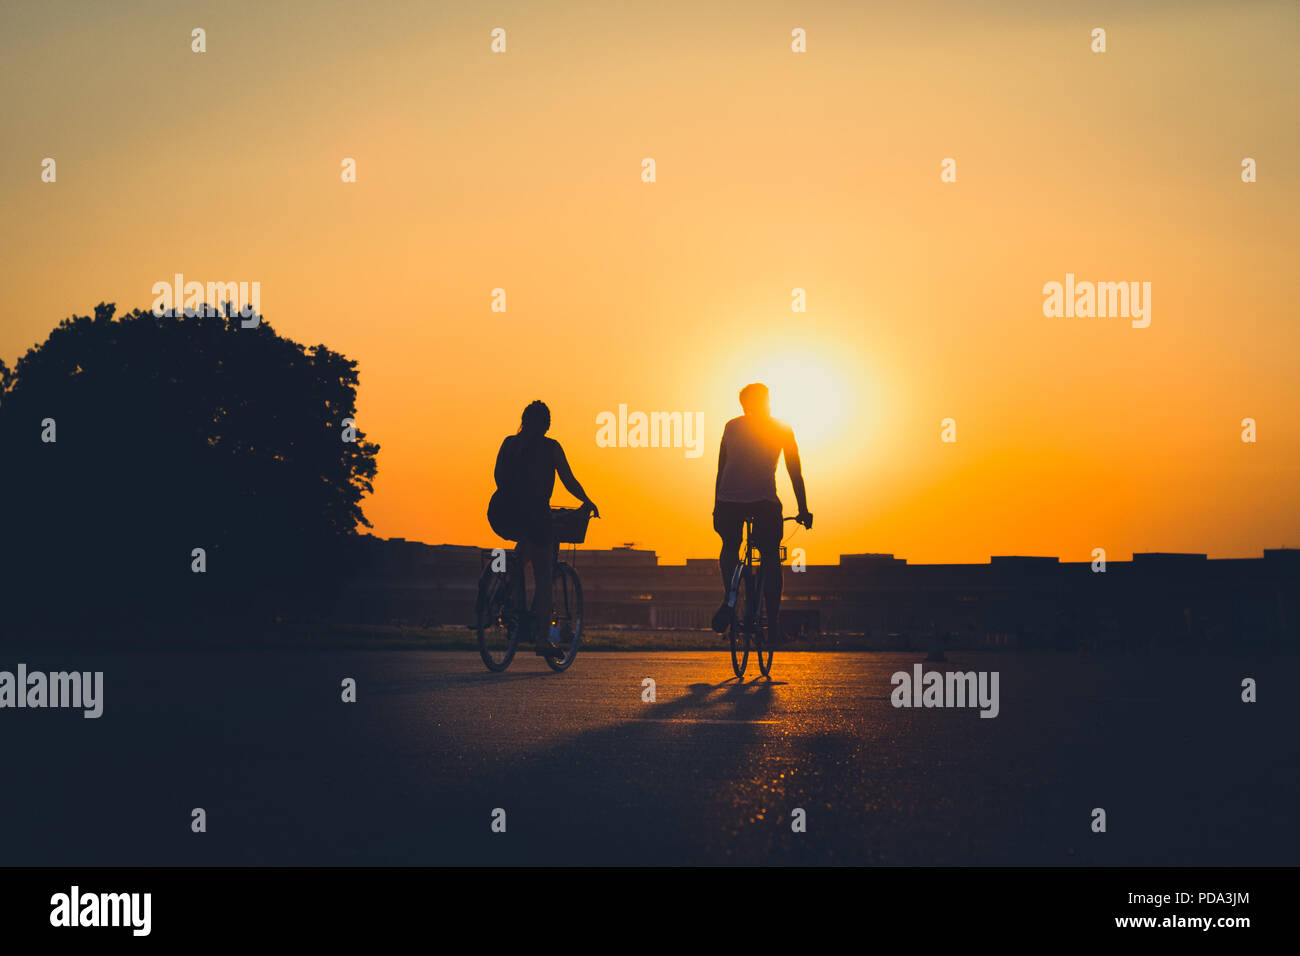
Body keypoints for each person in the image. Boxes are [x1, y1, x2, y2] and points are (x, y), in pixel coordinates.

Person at [488, 400, 599, 658]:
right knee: (544, 574)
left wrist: (513, 496)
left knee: (521, 556)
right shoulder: (550, 447)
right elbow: (569, 480)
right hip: (534, 515)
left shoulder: (509, 443)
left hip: (502, 512)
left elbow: (497, 477)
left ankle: (506, 597)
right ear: (547, 424)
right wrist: (587, 501)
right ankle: (541, 639)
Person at [711, 383, 812, 640]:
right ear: (767, 401)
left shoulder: (731, 426)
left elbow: (721, 470)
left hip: (728, 501)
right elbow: (794, 470)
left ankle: (729, 598)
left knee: (730, 545)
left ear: (744, 406)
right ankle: (774, 625)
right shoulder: (782, 428)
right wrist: (803, 509)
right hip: (764, 502)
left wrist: (716, 505)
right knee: (770, 557)